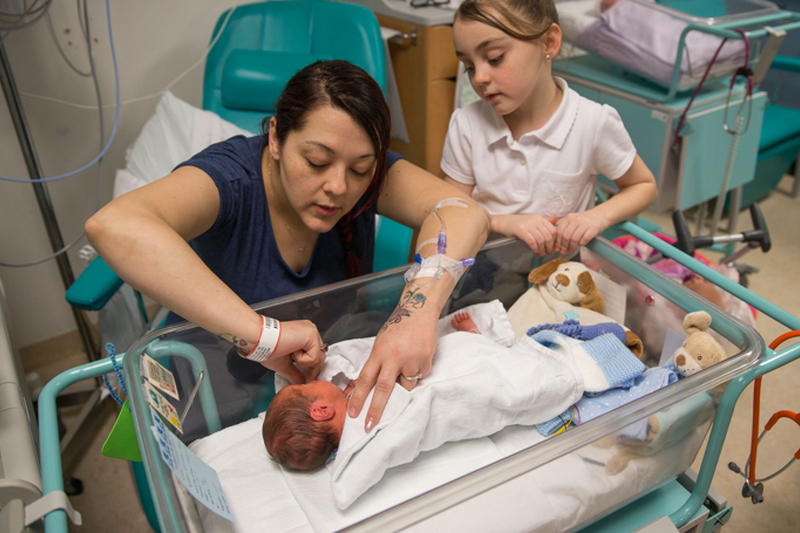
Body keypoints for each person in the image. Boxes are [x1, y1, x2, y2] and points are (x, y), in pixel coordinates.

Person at [86, 60, 490, 432]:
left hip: (320, 372)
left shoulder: (368, 178)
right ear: (276, 137)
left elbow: (462, 212)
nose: (338, 187)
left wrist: (414, 312)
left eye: (360, 169)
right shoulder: (231, 181)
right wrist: (261, 336)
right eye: (316, 162)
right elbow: (114, 225)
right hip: (213, 372)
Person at [441, 0, 658, 257]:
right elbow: (452, 212)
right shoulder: (466, 125)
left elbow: (644, 185)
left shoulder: (592, 122)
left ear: (549, 43)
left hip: (559, 275)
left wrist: (596, 217)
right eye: (469, 66)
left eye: (494, 58)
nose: (479, 78)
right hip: (482, 273)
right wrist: (502, 222)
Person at [263, 313, 484, 471]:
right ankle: (475, 337)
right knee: (462, 360)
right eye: (305, 387)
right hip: (424, 382)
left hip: (414, 374)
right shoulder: (361, 430)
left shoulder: (346, 401)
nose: (308, 381)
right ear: (321, 410)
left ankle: (475, 341)